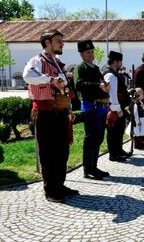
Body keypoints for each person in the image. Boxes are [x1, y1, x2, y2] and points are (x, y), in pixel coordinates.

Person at [23, 29, 79, 203]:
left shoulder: (58, 63)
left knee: (62, 151)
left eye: (61, 40)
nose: (62, 44)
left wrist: (69, 109)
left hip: (61, 113)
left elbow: (65, 90)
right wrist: (50, 80)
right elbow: (28, 76)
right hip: (45, 113)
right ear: (47, 42)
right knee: (48, 152)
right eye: (58, 40)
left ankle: (59, 185)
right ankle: (50, 190)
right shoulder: (37, 61)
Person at [73, 40, 111, 180]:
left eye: (92, 52)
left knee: (99, 137)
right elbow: (78, 84)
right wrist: (98, 86)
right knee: (90, 138)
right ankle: (87, 169)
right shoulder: (80, 68)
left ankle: (94, 166)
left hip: (101, 107)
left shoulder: (95, 68)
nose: (91, 54)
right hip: (90, 106)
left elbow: (102, 85)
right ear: (82, 54)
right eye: (88, 52)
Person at [103, 51, 131, 162]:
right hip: (114, 108)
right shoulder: (110, 74)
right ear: (115, 62)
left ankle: (119, 150)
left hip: (118, 106)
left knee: (119, 130)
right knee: (113, 132)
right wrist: (118, 109)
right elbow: (112, 94)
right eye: (120, 62)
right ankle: (113, 154)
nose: (121, 64)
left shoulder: (115, 73)